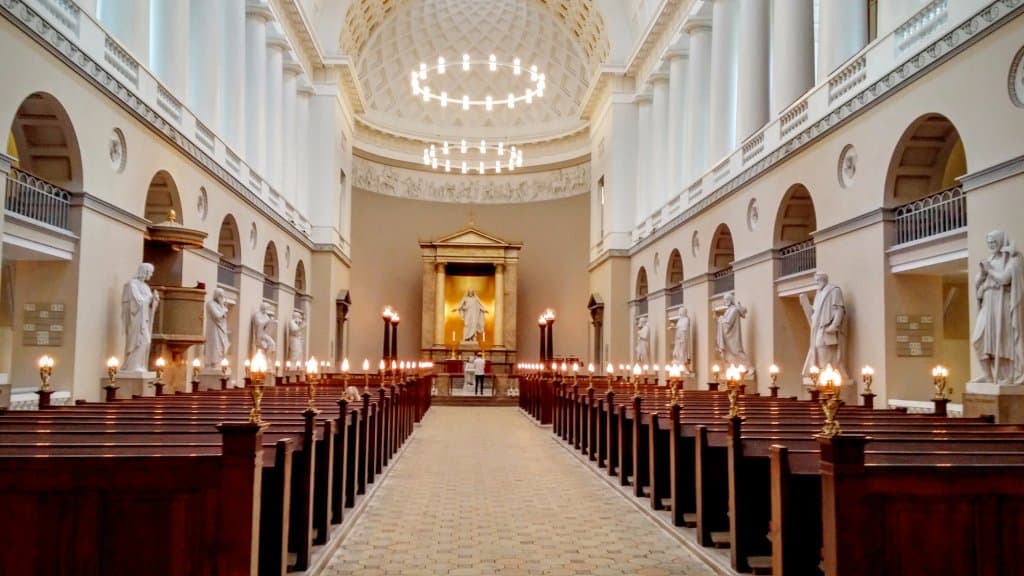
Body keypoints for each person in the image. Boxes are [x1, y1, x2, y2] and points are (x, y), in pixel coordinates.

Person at [972, 230, 1024, 384]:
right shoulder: (991, 259)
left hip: (1002, 301)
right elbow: (977, 283)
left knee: (1002, 340)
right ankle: (988, 376)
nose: (991, 246)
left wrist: (989, 270)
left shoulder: (1012, 258)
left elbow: (1004, 279)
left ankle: (1007, 376)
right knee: (978, 340)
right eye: (989, 243)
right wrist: (982, 273)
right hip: (988, 301)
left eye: (994, 242)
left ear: (1001, 241)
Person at [799, 273, 847, 380]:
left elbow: (839, 309)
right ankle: (822, 373)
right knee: (816, 348)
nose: (817, 283)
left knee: (823, 348)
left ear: (823, 280)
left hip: (827, 329)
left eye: (818, 281)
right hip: (818, 329)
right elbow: (815, 313)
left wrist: (834, 325)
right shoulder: (819, 294)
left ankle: (827, 374)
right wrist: (806, 305)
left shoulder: (834, 290)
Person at [121, 262, 160, 373]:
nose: (151, 275)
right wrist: (150, 299)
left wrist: (154, 300)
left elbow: (148, 304)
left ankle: (138, 364)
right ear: (145, 271)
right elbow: (136, 302)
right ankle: (131, 367)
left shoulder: (145, 287)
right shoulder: (131, 284)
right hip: (136, 318)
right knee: (140, 341)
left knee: (146, 341)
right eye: (150, 272)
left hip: (144, 319)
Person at [716, 292, 751, 369]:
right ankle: (734, 368)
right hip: (728, 336)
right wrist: (721, 319)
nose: (724, 301)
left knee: (737, 351)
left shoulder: (734, 310)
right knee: (730, 354)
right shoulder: (728, 310)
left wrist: (721, 319)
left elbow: (728, 323)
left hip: (733, 336)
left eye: (725, 299)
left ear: (729, 300)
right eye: (724, 299)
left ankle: (748, 368)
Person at [204, 288, 230, 369]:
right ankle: (212, 363)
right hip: (213, 329)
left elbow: (223, 317)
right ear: (216, 295)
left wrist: (222, 307)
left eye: (223, 296)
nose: (222, 298)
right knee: (214, 346)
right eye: (221, 296)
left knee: (221, 346)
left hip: (221, 330)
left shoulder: (220, 305)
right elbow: (217, 316)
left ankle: (219, 364)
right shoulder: (210, 304)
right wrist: (223, 308)